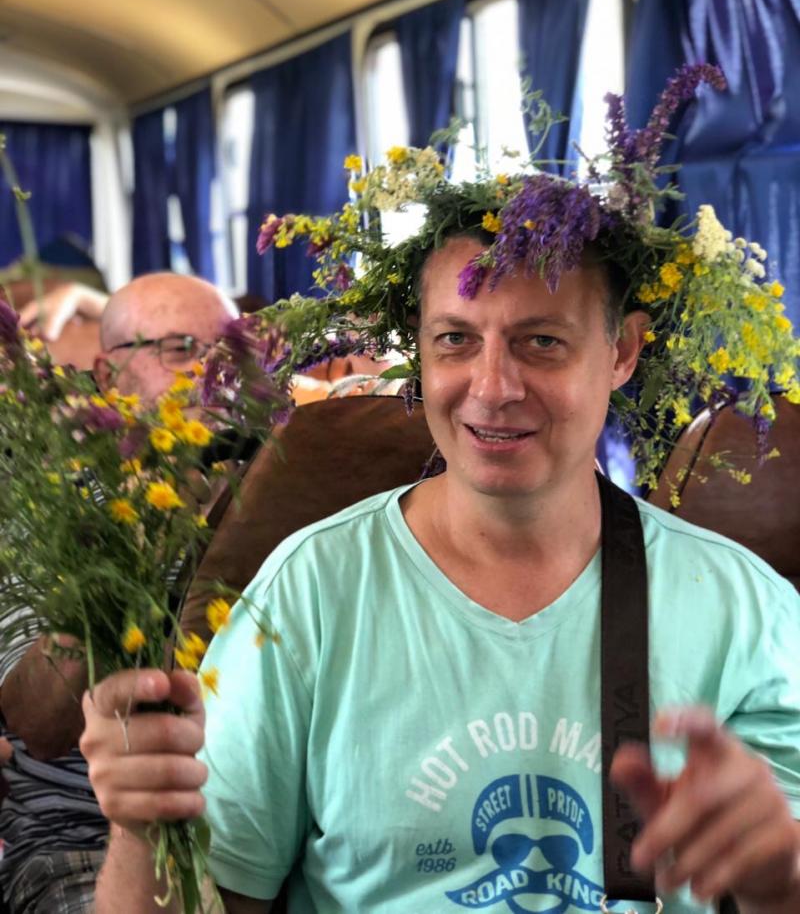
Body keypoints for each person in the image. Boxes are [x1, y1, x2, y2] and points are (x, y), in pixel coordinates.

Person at [81, 73, 800, 913]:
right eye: (456, 339)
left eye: (541, 342)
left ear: (622, 352)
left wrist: (778, 884)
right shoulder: (310, 596)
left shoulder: (744, 616)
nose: (492, 387)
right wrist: (139, 827)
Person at [0, 272, 238, 914]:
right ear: (108, 378)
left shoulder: (280, 488)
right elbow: (36, 725)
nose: (214, 375)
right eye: (181, 350)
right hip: (83, 835)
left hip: (257, 827)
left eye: (231, 354)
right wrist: (130, 545)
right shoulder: (50, 504)